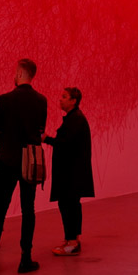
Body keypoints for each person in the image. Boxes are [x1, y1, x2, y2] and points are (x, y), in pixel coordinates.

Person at [0, 58, 47, 275]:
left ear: (20, 73)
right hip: (30, 161)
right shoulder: (41, 101)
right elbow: (40, 130)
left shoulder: (5, 100)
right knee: (28, 210)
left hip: (7, 160)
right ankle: (26, 258)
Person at [43, 87, 94, 256]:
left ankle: (72, 242)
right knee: (69, 204)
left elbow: (64, 143)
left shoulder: (76, 120)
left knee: (69, 205)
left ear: (73, 101)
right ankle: (71, 239)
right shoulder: (74, 119)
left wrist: (46, 138)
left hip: (71, 174)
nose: (60, 99)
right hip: (71, 174)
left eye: (64, 97)